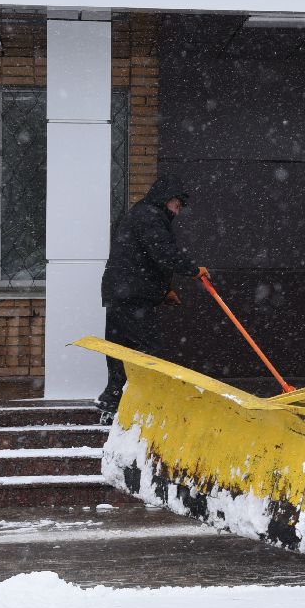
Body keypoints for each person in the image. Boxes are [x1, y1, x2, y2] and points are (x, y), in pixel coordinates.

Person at [97, 176, 205, 424]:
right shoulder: (149, 216)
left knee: (120, 348)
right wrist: (193, 269)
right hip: (131, 296)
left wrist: (163, 291)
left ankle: (112, 402)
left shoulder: (142, 215)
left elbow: (146, 259)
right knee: (149, 347)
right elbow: (164, 253)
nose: (177, 212)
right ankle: (140, 401)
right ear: (167, 200)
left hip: (122, 293)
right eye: (177, 206)